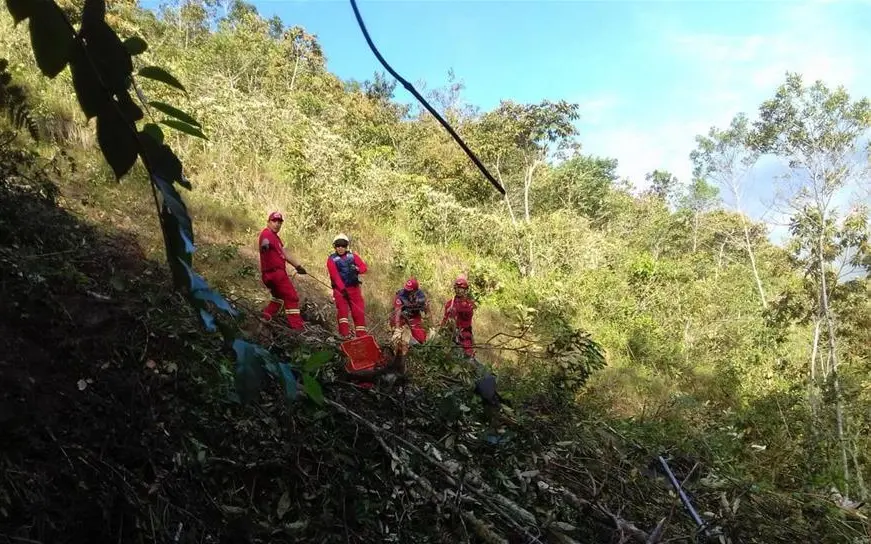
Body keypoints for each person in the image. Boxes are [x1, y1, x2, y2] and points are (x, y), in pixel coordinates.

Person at [259, 211, 306, 329]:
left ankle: (264, 319)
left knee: (278, 298)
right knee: (291, 297)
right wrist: (265, 246)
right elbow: (265, 243)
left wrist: (298, 266)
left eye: (279, 222)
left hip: (268, 275)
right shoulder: (266, 234)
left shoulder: (276, 238)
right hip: (276, 273)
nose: (277, 224)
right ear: (268, 222)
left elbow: (285, 253)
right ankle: (297, 329)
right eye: (274, 221)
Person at [326, 233, 369, 338]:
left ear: (347, 246)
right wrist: (342, 289)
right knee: (343, 314)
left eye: (343, 245)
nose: (340, 247)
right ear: (334, 246)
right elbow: (335, 276)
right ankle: (344, 337)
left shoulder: (353, 256)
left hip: (354, 290)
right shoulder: (331, 259)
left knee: (358, 312)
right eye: (338, 245)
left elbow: (364, 268)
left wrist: (358, 269)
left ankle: (361, 336)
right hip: (340, 292)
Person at [440, 275, 476, 358]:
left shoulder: (469, 304)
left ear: (465, 290)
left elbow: (468, 314)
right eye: (457, 288)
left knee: (468, 357)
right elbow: (445, 319)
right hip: (450, 335)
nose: (459, 290)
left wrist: (457, 309)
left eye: (461, 288)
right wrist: (440, 332)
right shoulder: (450, 303)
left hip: (464, 335)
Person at [391, 277, 430, 345]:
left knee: (421, 339)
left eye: (410, 291)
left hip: (414, 317)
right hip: (401, 318)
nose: (407, 292)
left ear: (415, 290)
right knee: (401, 338)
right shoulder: (400, 296)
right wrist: (397, 329)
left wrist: (429, 323)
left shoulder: (421, 297)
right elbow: (397, 313)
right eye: (406, 290)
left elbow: (427, 311)